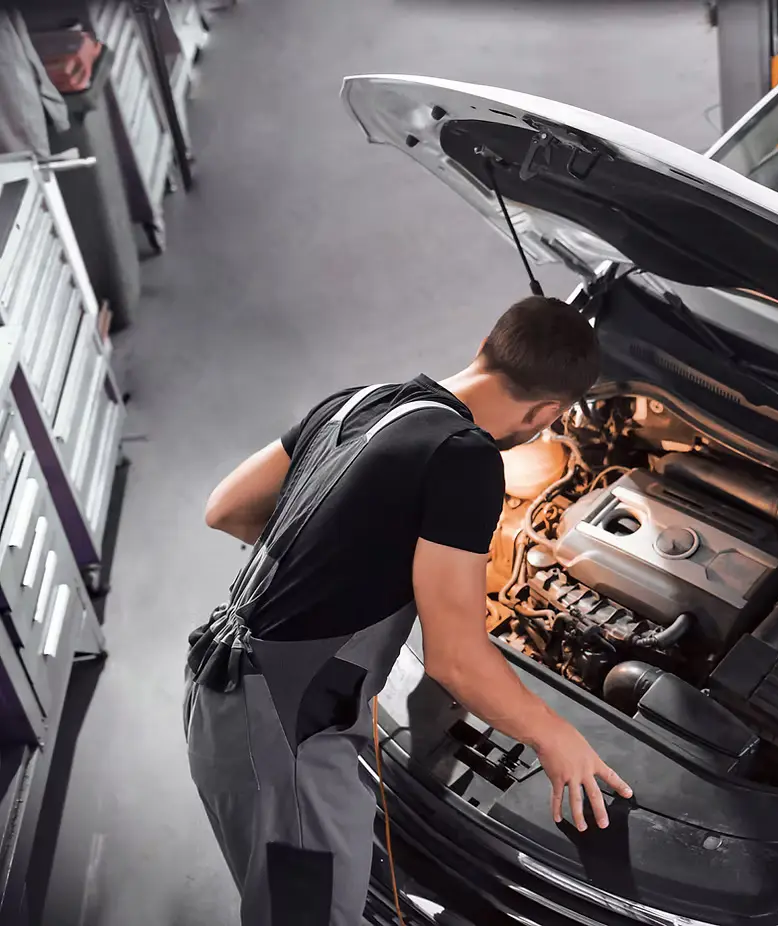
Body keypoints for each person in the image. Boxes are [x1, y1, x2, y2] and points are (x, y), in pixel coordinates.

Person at [184, 295, 631, 925]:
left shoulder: (361, 399)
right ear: (548, 413)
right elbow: (455, 658)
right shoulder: (465, 458)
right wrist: (555, 735)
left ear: (488, 345)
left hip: (220, 688)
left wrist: (344, 555)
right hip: (287, 736)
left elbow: (226, 507)